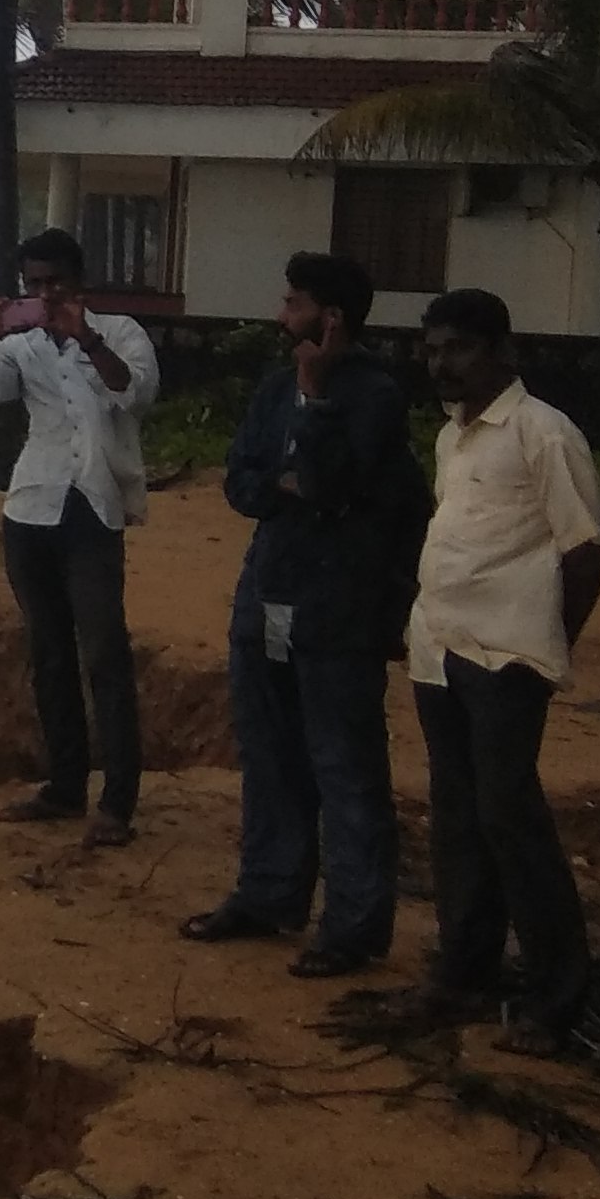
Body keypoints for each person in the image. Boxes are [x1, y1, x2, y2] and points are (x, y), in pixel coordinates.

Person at [187, 251, 425, 975]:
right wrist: (289, 483)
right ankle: (269, 894)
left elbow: (326, 483)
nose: (280, 315)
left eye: (293, 303)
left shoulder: (375, 397)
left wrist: (315, 408)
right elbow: (241, 482)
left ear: (331, 318)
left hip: (340, 607)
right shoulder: (271, 389)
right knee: (269, 754)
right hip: (269, 593)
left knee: (344, 766)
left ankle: (353, 926)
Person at [405, 287, 600, 1047]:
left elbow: (583, 551)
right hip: (440, 649)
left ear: (502, 352)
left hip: (508, 657)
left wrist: (550, 644)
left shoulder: (543, 433)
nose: (442, 364)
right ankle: (466, 973)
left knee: (509, 819)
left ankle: (558, 997)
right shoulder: (451, 437)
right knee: (457, 818)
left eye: (458, 348)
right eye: (432, 350)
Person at [0, 228, 159, 848]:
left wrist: (85, 337)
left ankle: (117, 802)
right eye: (34, 284)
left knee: (105, 653)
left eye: (55, 282)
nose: (45, 294)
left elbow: (136, 393)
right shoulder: (21, 347)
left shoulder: (120, 332)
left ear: (79, 281)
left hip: (94, 508)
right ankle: (65, 787)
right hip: (31, 508)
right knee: (48, 653)